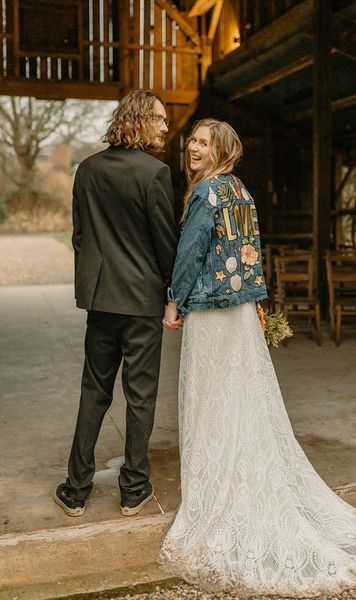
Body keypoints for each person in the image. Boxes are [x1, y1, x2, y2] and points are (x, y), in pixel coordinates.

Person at [159, 118, 356, 597]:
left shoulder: (207, 193)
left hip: (211, 310)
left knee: (209, 400)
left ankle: (217, 492)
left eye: (203, 143)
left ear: (221, 150)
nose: (193, 149)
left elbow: (191, 252)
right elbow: (252, 253)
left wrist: (174, 299)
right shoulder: (242, 191)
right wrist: (258, 302)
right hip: (241, 311)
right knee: (242, 399)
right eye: (192, 142)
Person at [54, 90, 178, 518]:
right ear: (142, 120)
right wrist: (172, 294)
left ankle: (75, 489)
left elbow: (80, 237)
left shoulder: (86, 170)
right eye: (161, 119)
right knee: (140, 396)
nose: (166, 126)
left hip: (101, 300)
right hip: (142, 301)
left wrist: (94, 282)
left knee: (94, 392)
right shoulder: (155, 173)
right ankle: (133, 489)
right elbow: (166, 243)